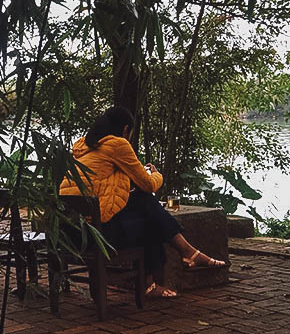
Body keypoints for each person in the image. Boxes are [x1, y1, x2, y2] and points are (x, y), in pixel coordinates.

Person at [59, 106, 226, 298]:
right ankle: (182, 257)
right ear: (125, 130)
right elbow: (147, 185)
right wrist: (156, 175)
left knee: (144, 205)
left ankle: (167, 271)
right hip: (97, 234)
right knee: (148, 210)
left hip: (71, 231)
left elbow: (104, 185)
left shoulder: (84, 147)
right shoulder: (117, 145)